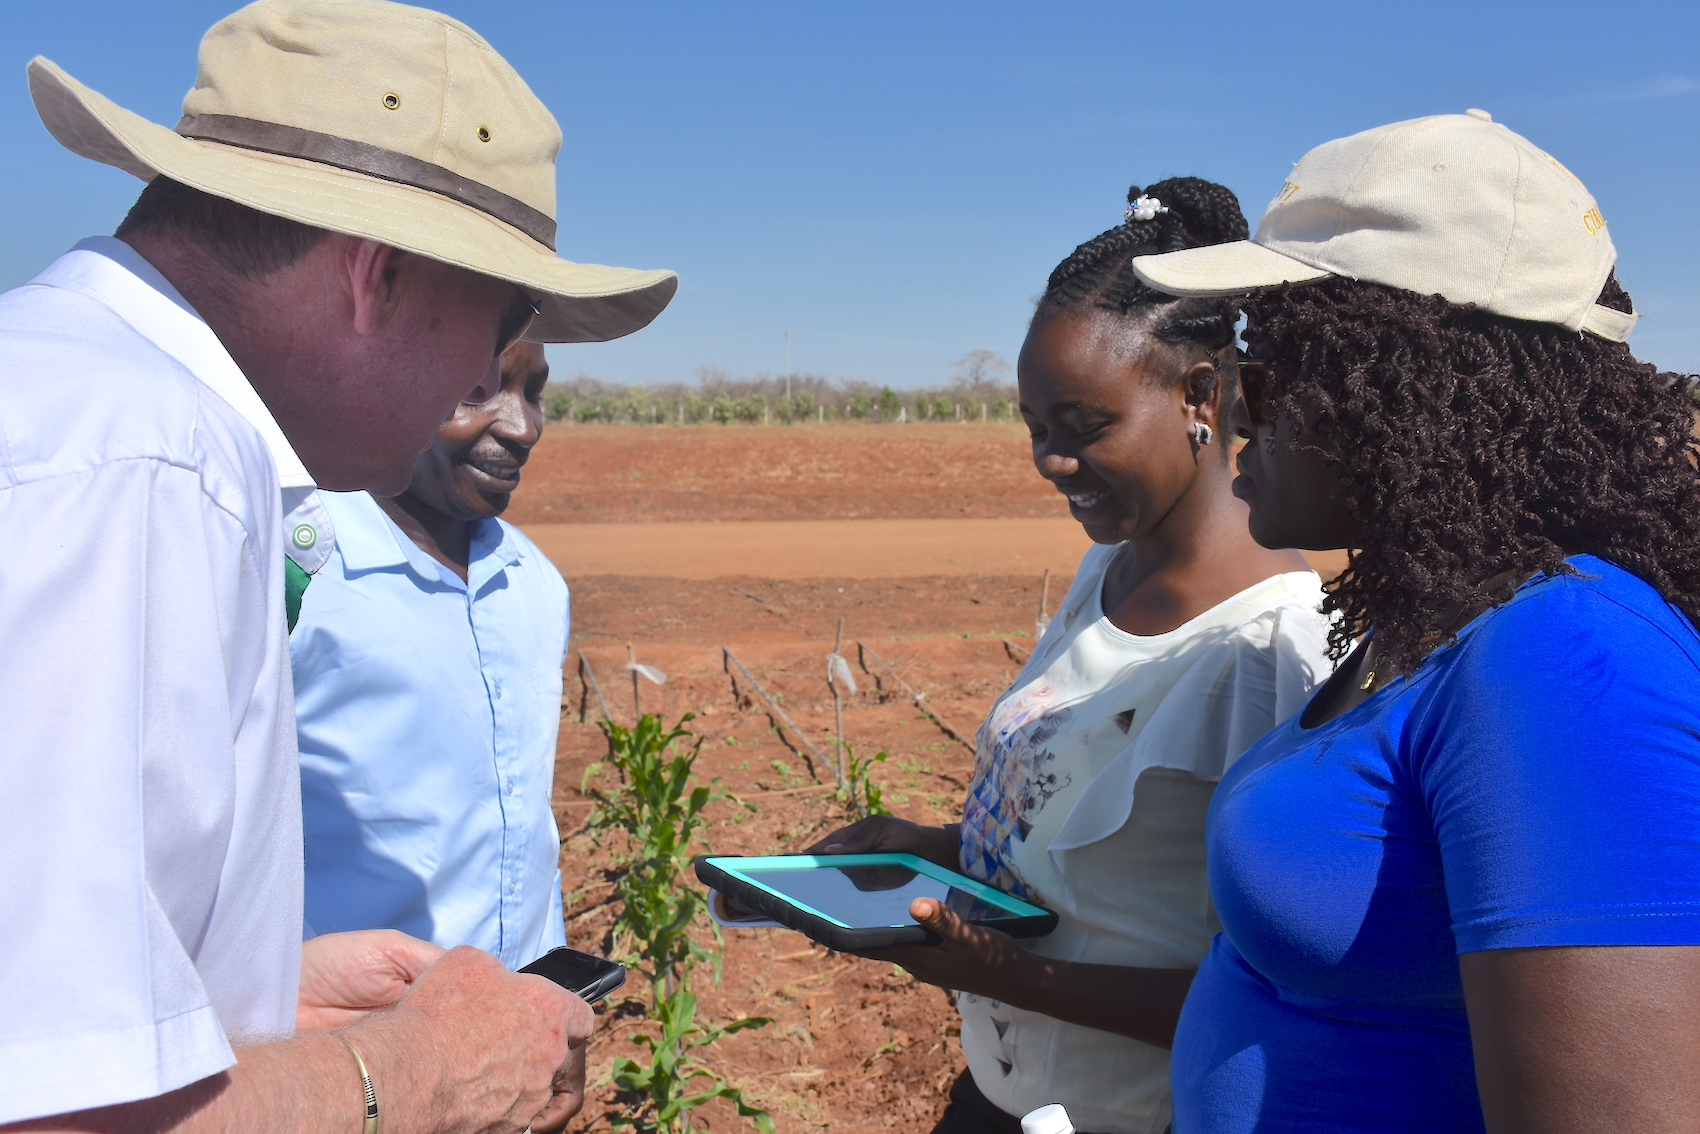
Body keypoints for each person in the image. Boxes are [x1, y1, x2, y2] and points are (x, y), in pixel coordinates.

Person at [0, 2, 676, 1131]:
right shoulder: (150, 469)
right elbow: (58, 1110)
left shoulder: (67, 401)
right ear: (377, 274)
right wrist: (414, 1076)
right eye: (497, 320)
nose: (485, 376)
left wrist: (264, 993)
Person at [1130, 111, 1700, 1132]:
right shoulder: (1430, 621)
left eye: (1264, 375)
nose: (1227, 416)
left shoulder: (1563, 659)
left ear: (1400, 390)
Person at [808, 179, 1334, 1134]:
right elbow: (1102, 884)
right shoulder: (1106, 571)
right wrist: (938, 854)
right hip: (999, 1103)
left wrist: (1004, 972)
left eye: (1085, 428)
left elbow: (1275, 1000)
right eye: (1036, 430)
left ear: (1202, 394)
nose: (1051, 461)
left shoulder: (1273, 646)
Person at [292, 340, 572, 969]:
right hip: (355, 1045)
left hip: (519, 1029)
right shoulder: (296, 580)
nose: (523, 426)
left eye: (534, 393)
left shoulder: (534, 581)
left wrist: (553, 995)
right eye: (479, 391)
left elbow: (527, 830)